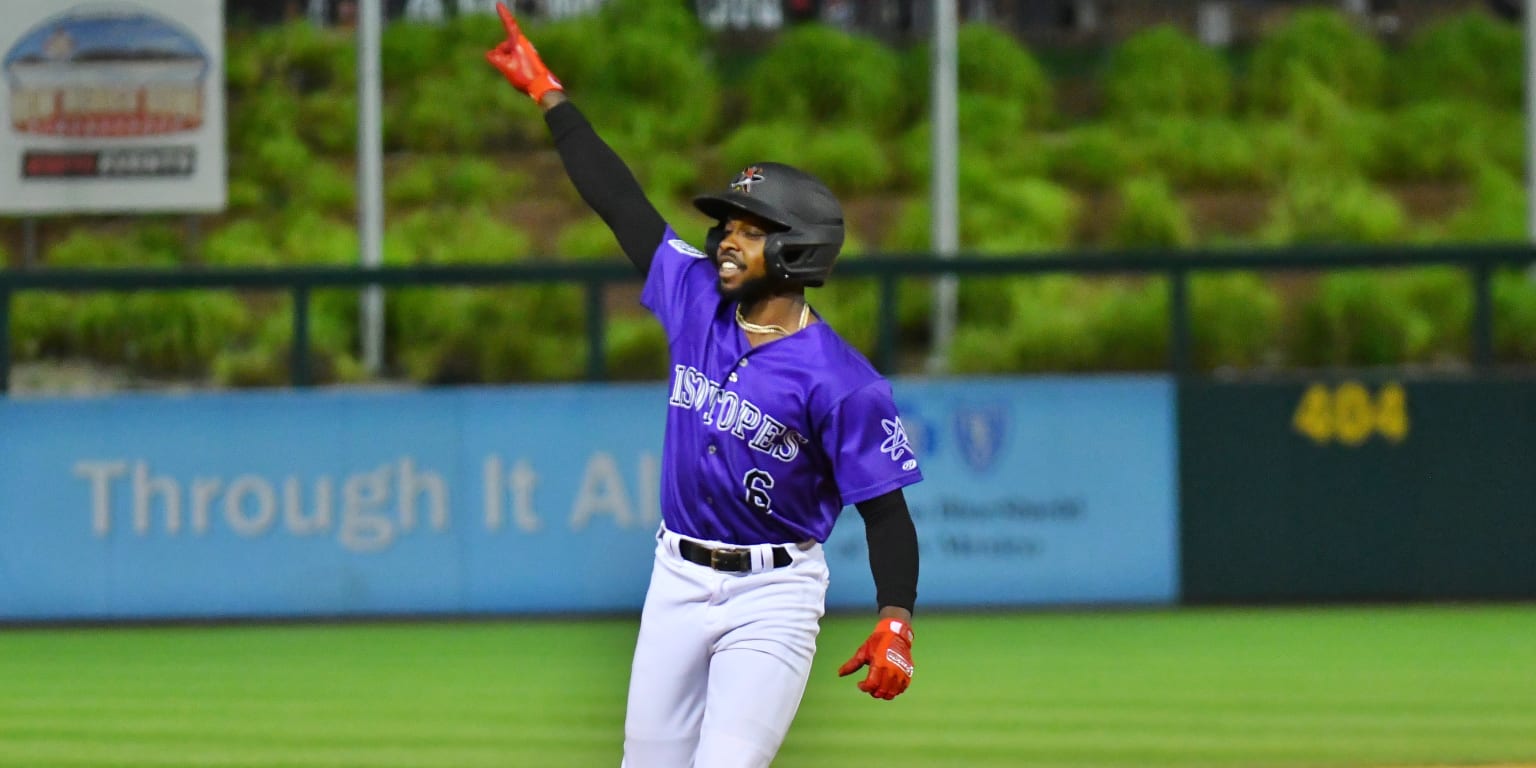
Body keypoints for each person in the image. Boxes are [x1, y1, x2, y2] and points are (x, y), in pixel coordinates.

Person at [485, 5, 922, 766]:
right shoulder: (692, 296)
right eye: (727, 225)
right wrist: (551, 98)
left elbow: (886, 516)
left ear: (796, 251)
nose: (725, 238)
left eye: (750, 230)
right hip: (676, 577)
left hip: (773, 595)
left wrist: (895, 617)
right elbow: (619, 202)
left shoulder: (842, 382)